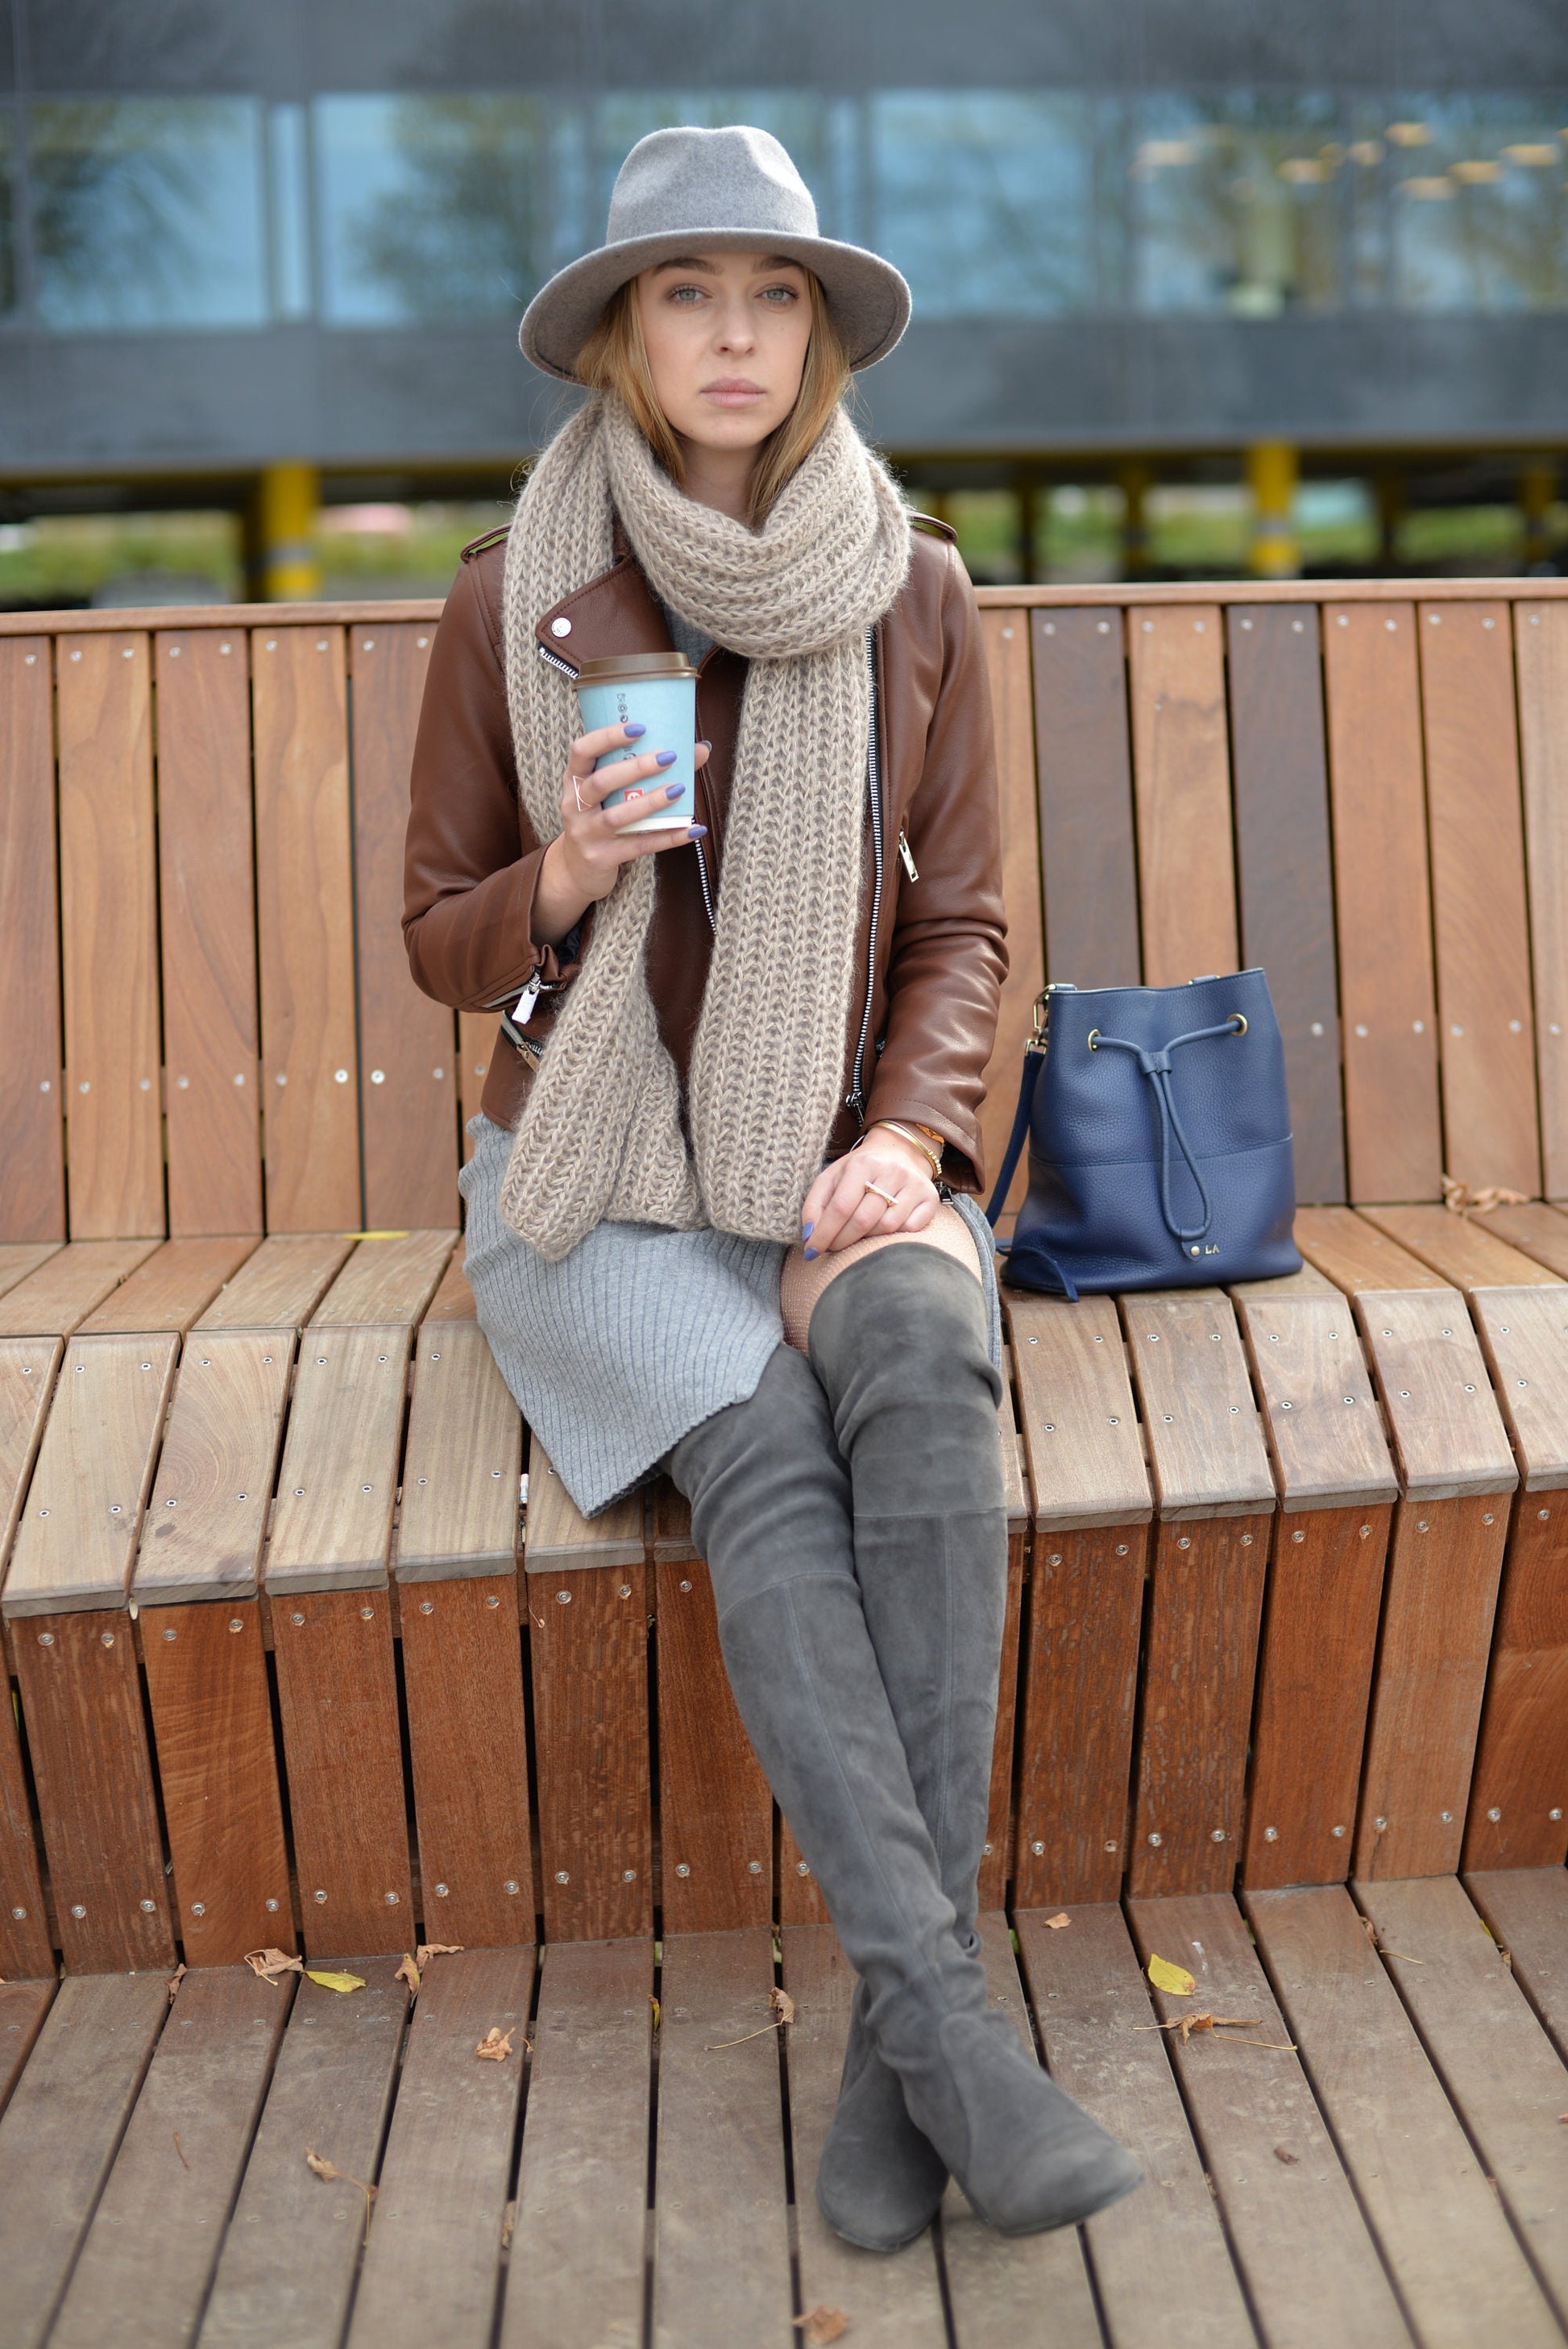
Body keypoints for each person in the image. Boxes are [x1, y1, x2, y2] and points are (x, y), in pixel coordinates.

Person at [403, 122, 1139, 2250]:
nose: (731, 335)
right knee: (767, 1458)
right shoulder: (510, 599)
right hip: (598, 1177)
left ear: (814, 334)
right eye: (683, 296)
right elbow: (437, 931)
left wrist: (908, 1138)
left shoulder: (913, 593)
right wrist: (561, 876)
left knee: (916, 1352)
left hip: (836, 1147)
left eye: (770, 295)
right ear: (623, 341)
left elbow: (968, 927)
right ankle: (949, 2035)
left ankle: (903, 2060)